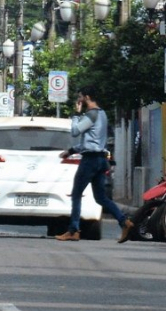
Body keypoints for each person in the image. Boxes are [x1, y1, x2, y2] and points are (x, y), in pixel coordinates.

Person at [57, 86, 134, 242]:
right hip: (101, 159)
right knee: (101, 198)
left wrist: (76, 114)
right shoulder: (102, 114)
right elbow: (91, 141)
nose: (78, 100)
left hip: (90, 161)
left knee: (77, 194)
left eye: (80, 97)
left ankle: (73, 230)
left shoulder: (90, 114)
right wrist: (71, 150)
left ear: (86, 97)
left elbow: (75, 131)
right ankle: (124, 221)